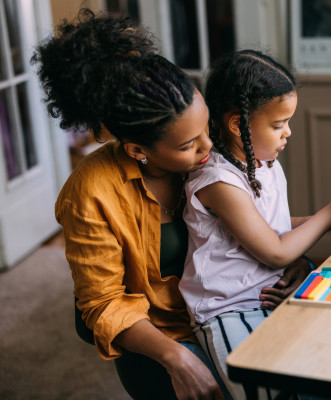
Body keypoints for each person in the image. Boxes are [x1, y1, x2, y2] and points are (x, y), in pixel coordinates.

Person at [32, 10, 310, 400]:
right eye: (187, 144)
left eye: (206, 129)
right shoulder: (91, 193)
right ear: (137, 150)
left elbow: (250, 225)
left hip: (236, 302)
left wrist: (293, 256)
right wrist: (177, 359)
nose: (208, 147)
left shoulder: (204, 155)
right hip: (163, 334)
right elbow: (103, 303)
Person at [178, 49, 331, 399]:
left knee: (330, 364)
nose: (288, 133)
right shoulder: (218, 180)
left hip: (267, 293)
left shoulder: (264, 164)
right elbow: (276, 251)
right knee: (267, 388)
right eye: (279, 124)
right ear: (237, 124)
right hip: (227, 308)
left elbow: (270, 227)